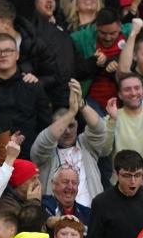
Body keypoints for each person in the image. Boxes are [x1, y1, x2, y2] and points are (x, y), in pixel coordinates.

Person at [30, 79, 109, 207]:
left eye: (71, 125)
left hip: (91, 216)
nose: (67, 131)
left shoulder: (86, 144)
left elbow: (100, 130)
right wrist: (72, 112)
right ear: (54, 127)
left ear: (78, 125)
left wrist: (81, 104)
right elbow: (45, 140)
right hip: (56, 218)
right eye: (63, 126)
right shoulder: (45, 153)